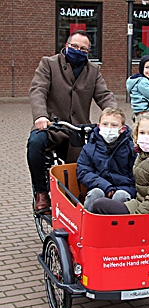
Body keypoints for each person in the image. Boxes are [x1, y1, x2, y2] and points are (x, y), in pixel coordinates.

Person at [27, 30, 117, 214]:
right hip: (52, 127)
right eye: (75, 46)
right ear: (67, 46)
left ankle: (85, 198)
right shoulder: (49, 64)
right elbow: (38, 90)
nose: (78, 50)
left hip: (78, 129)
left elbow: (104, 95)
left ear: (88, 52)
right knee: (35, 144)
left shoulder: (93, 71)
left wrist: (114, 117)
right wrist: (40, 116)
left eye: (83, 49)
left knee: (88, 162)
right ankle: (42, 193)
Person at [76, 107, 136, 212]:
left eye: (114, 125)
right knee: (95, 193)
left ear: (122, 129)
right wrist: (105, 186)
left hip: (124, 187)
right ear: (99, 126)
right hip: (99, 185)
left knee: (121, 196)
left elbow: (136, 173)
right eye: (105, 124)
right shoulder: (89, 148)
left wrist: (127, 188)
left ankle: (118, 226)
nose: (109, 128)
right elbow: (84, 171)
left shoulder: (131, 149)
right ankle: (89, 224)